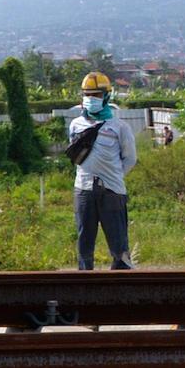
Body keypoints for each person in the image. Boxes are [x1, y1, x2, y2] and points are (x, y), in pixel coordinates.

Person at [67, 71, 137, 270]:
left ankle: (121, 282)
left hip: (112, 191)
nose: (91, 99)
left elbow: (130, 158)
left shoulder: (119, 127)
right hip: (83, 189)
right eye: (87, 95)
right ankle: (85, 282)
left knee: (118, 243)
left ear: (106, 97)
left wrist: (114, 176)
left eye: (96, 95)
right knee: (84, 241)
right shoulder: (76, 125)